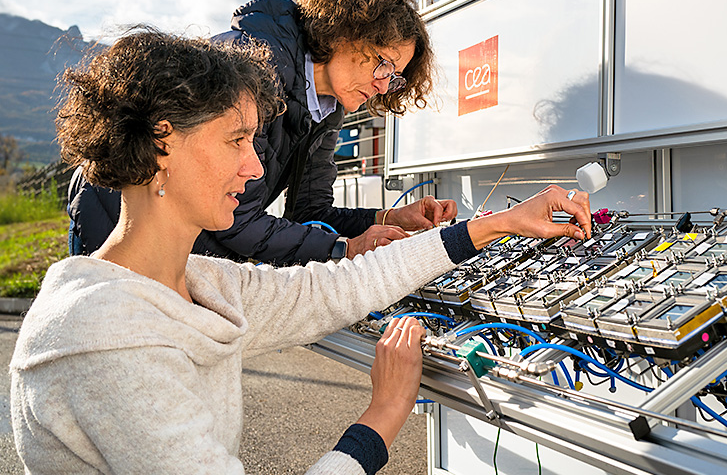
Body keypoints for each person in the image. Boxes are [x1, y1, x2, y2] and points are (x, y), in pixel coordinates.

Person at [10, 29, 592, 474]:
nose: (256, 166)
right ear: (163, 144)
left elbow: (330, 288)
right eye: (237, 139)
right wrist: (384, 416)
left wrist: (498, 225)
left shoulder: (192, 281)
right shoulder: (105, 342)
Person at [67, 0, 457, 265]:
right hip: (120, 212)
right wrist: (345, 248)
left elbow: (310, 213)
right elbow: (238, 221)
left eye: (395, 76)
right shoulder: (255, 69)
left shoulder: (326, 107)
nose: (384, 83)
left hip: (191, 237)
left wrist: (389, 217)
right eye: (383, 63)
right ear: (345, 33)